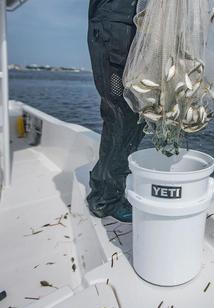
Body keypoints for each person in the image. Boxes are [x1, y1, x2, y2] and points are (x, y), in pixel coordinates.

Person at [87, 0, 144, 222]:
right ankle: (104, 198)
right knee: (121, 113)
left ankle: (111, 187)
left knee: (136, 112)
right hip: (116, 32)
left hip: (133, 30)